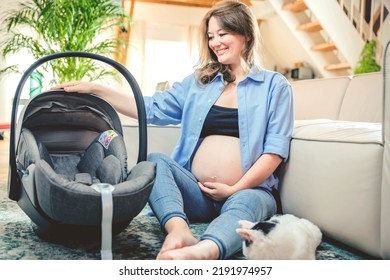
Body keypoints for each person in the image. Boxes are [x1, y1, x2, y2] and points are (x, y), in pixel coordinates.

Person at [54, 0, 294, 260]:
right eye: (211, 36)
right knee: (155, 162)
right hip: (197, 193)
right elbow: (150, 107)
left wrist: (235, 188)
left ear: (245, 34)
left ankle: (206, 250)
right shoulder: (199, 83)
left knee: (248, 204)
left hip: (249, 191)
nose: (215, 42)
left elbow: (274, 152)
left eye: (223, 34)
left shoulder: (274, 86)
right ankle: (179, 231)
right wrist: (96, 89)